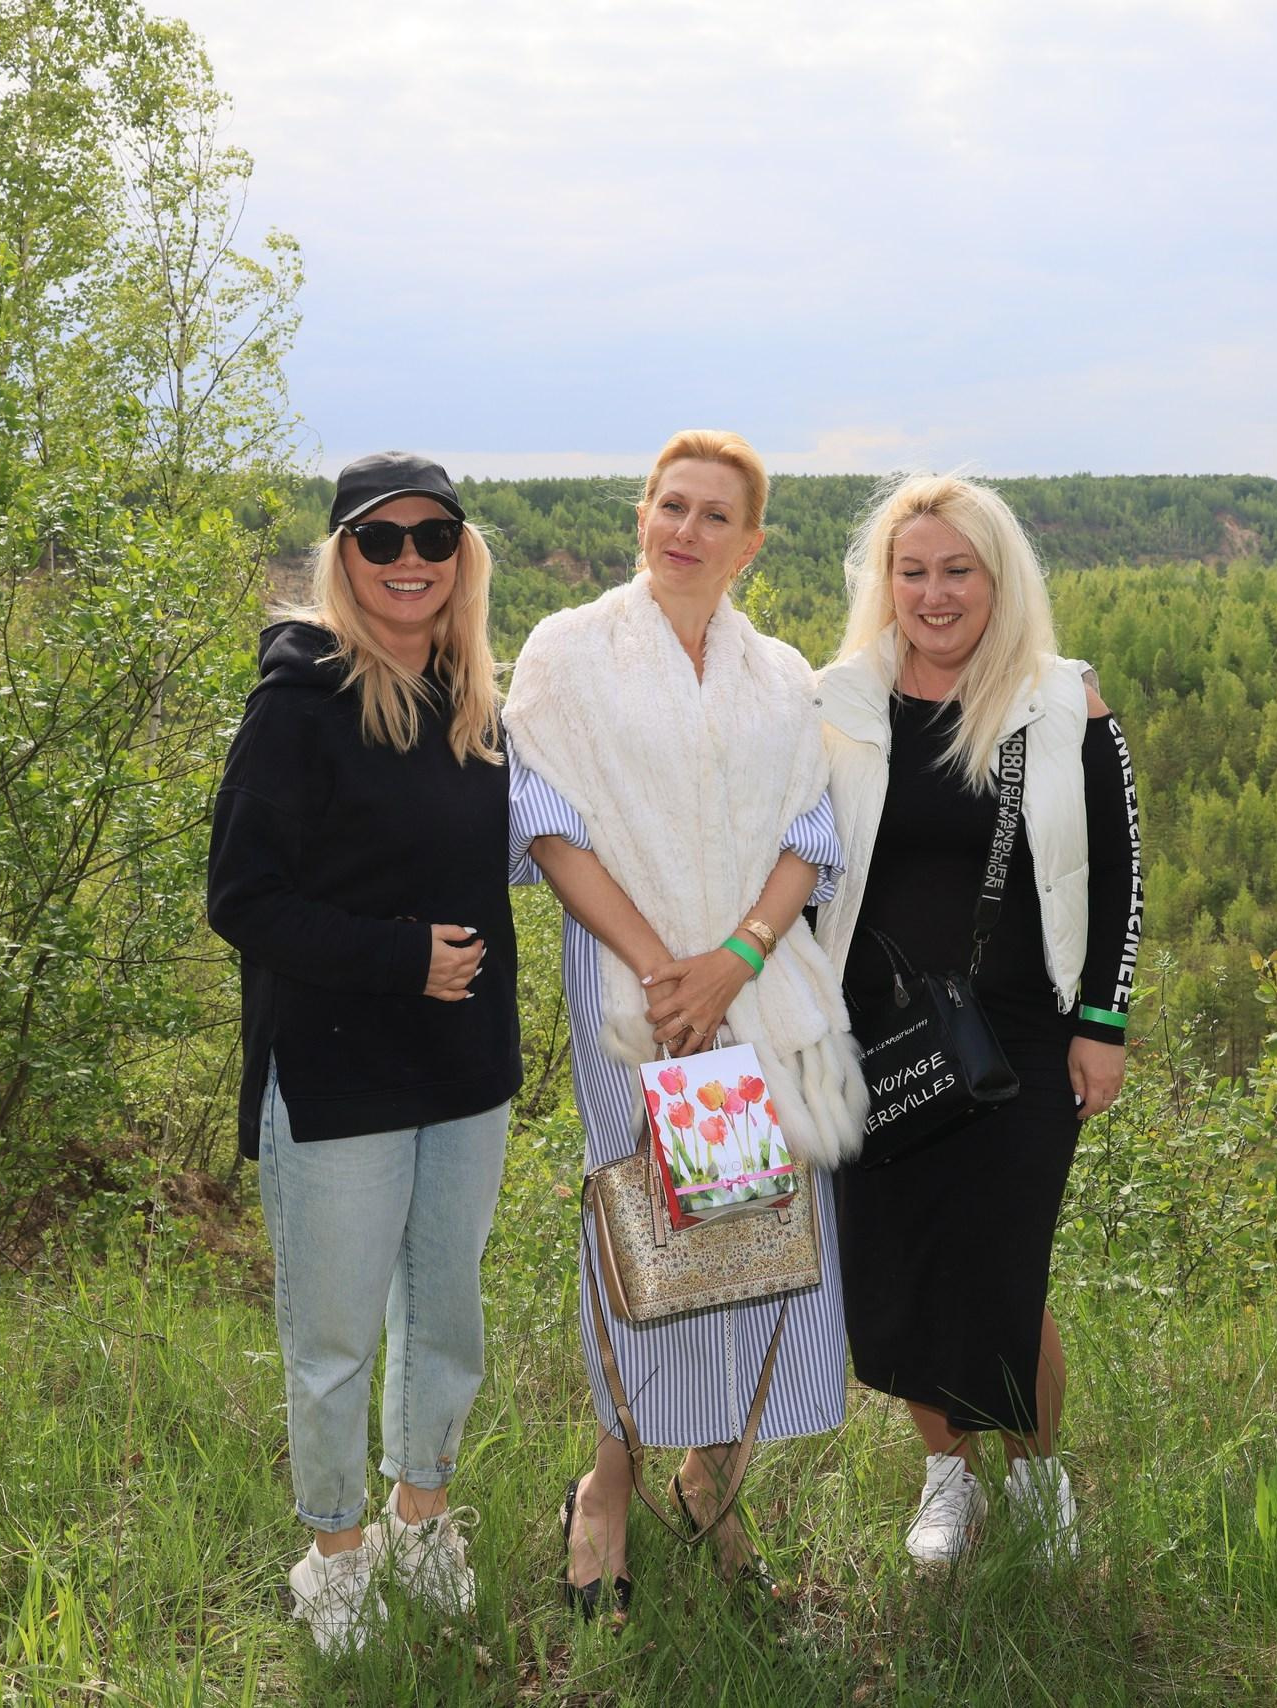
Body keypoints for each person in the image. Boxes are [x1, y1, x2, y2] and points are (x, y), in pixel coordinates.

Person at [502, 429, 865, 1618]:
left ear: (750, 544)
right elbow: (548, 822)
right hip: (640, 1004)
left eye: (715, 516)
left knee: (748, 1247)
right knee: (647, 1243)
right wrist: (670, 973)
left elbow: (807, 839)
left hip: (749, 1002)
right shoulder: (569, 653)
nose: (686, 531)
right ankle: (605, 1487)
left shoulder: (780, 675)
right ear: (640, 515)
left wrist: (736, 960)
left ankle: (715, 1475)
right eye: (670, 505)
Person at [204, 452, 518, 1655]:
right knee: (332, 1336)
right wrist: (399, 958)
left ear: (461, 553)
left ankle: (421, 1520)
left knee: (445, 1315)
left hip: (465, 1066)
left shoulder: (477, 699)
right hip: (336, 1072)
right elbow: (242, 897)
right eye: (378, 540)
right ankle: (334, 1552)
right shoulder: (300, 700)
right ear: (340, 556)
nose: (407, 562)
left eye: (431, 537)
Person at [814, 474, 1143, 1567]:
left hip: (1023, 1032)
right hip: (871, 1034)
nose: (934, 593)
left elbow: (1119, 871)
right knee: (897, 1265)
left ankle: (1036, 1479)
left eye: (958, 570)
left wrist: (1104, 1020)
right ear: (884, 582)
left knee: (1004, 1267)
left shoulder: (1062, 700)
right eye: (912, 571)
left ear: (999, 579)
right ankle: (944, 1474)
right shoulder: (838, 701)